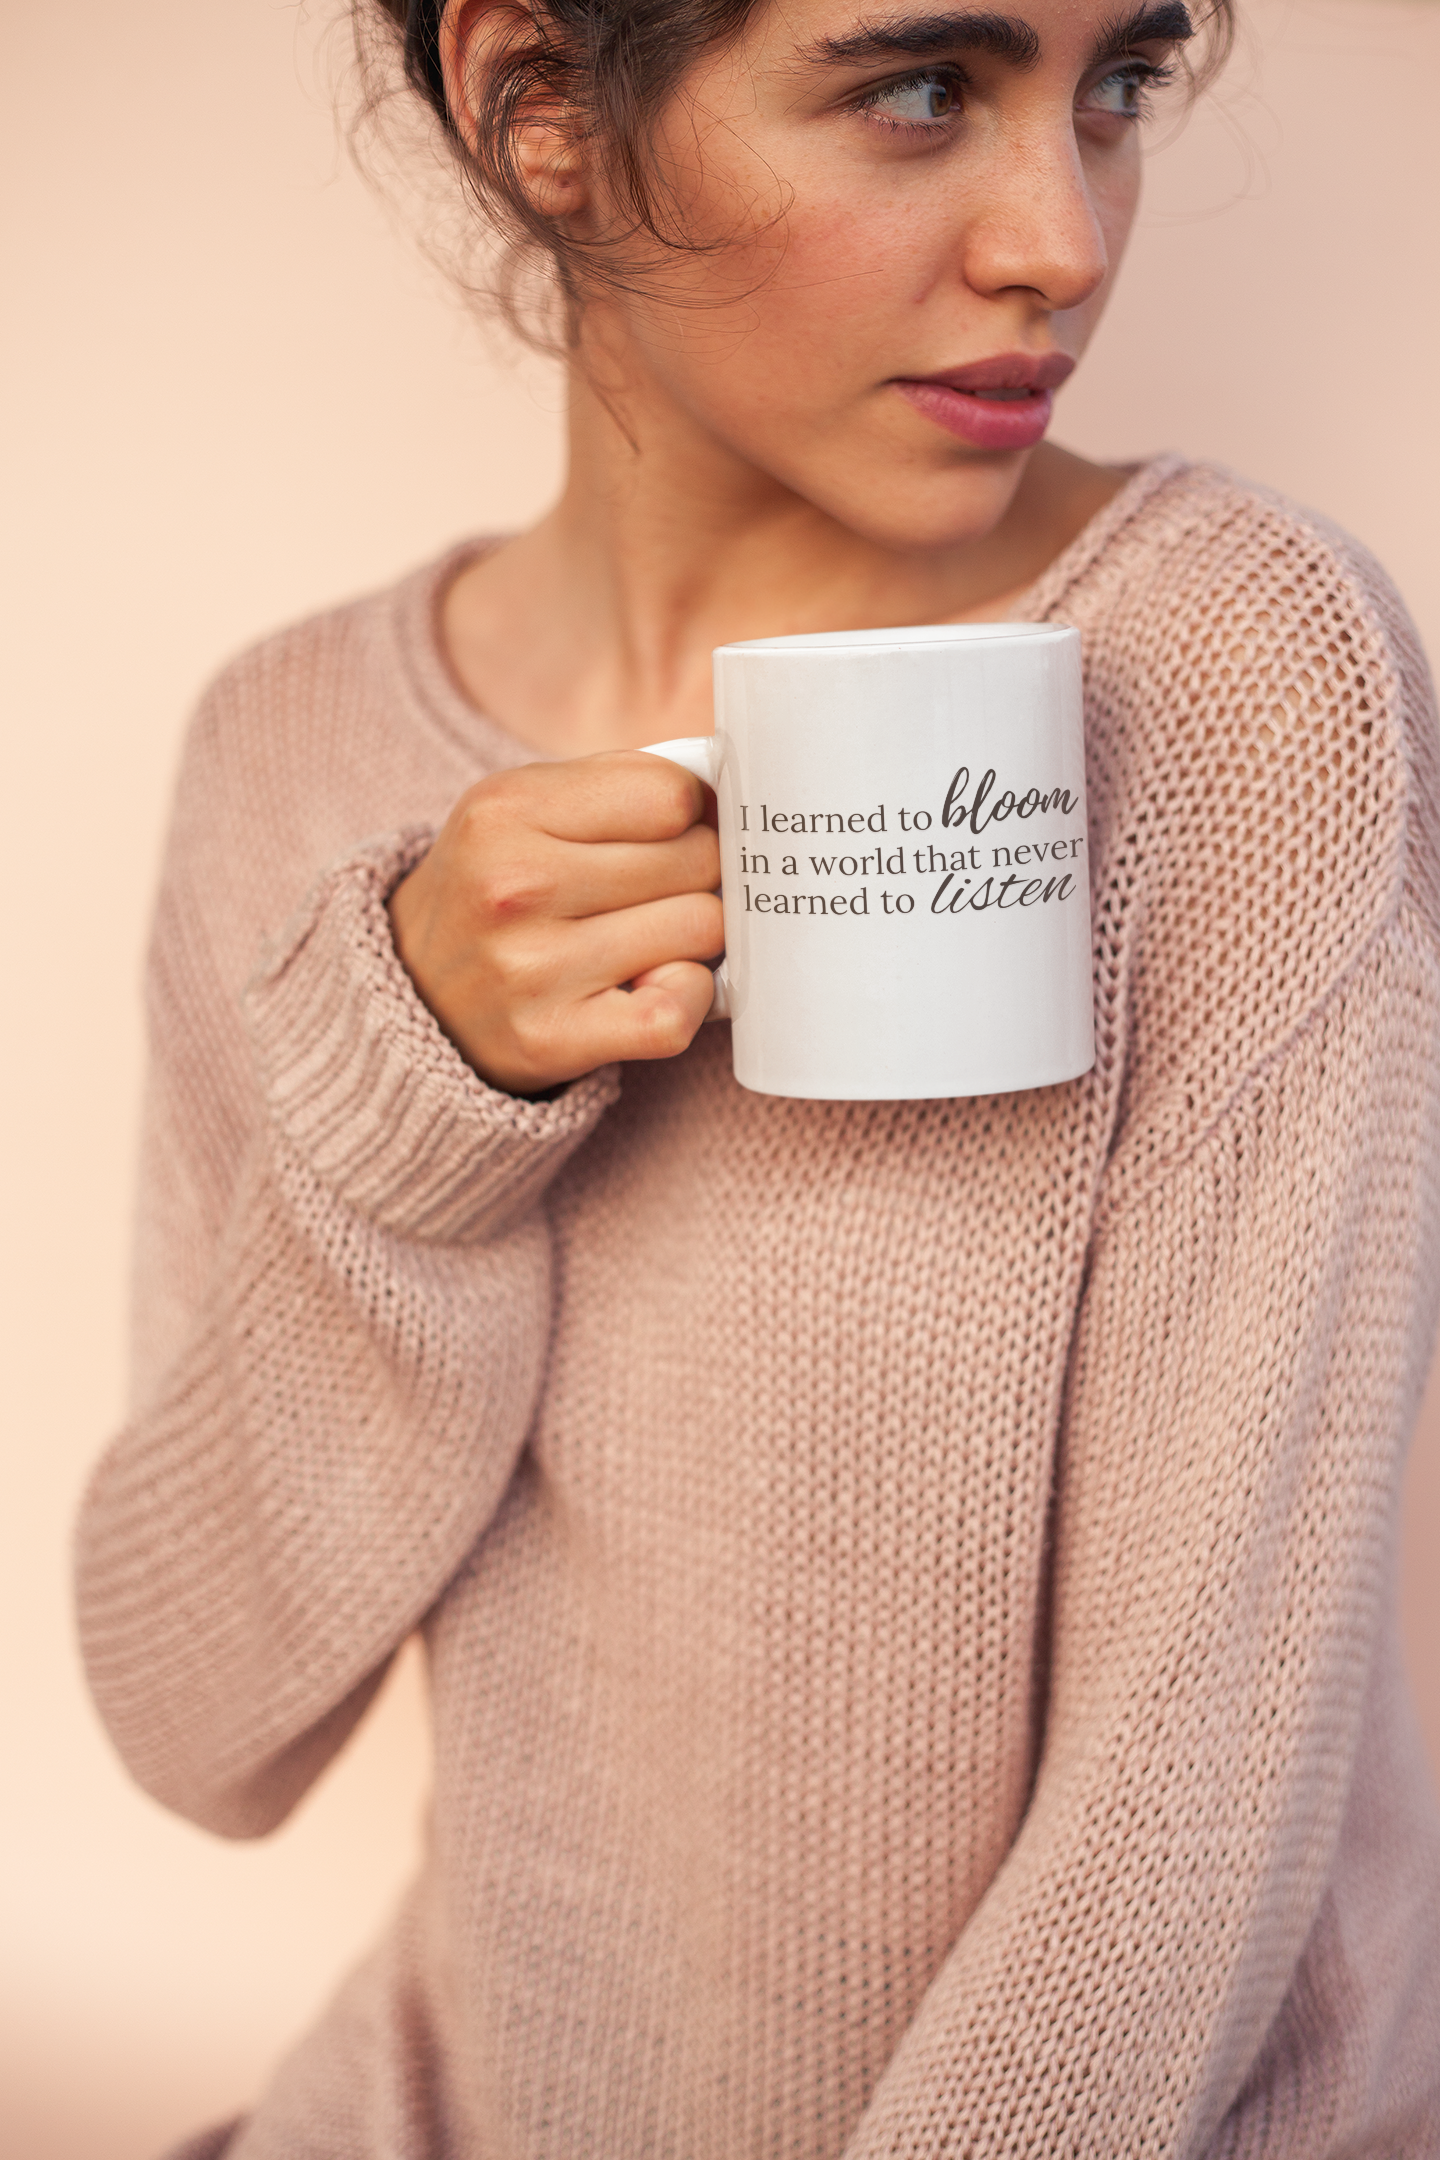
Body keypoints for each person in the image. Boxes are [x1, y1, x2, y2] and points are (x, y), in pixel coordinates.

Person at [76, 0, 1440, 2153]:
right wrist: (409, 1107)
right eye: (920, 89)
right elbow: (194, 1723)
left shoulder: (1238, 673)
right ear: (534, 101)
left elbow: (1204, 1773)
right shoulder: (291, 750)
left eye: (1121, 85)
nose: (1062, 239)